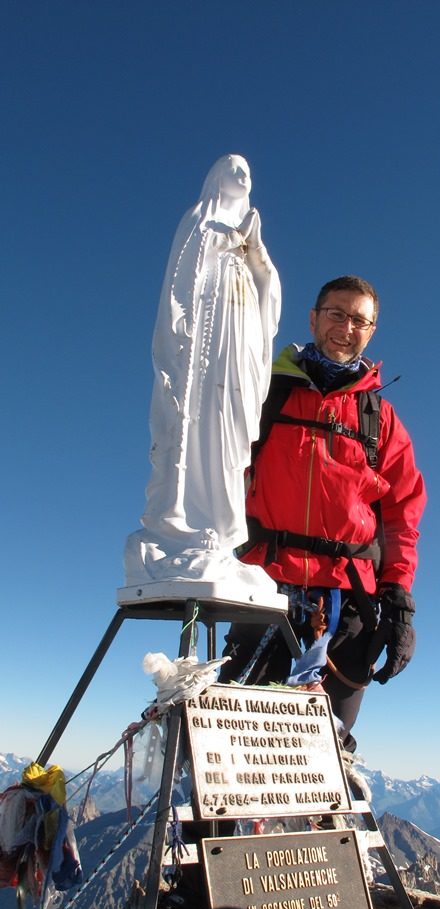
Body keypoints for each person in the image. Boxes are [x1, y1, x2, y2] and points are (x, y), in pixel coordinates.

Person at [219, 275, 426, 751]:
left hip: (349, 603)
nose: (346, 327)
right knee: (232, 744)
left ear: (370, 332)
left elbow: (402, 516)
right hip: (263, 589)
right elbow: (221, 473)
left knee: (326, 752)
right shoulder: (264, 395)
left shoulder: (381, 420)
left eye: (360, 320)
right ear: (313, 318)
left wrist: (398, 599)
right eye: (336, 313)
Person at [124, 154, 281, 587]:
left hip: (239, 347)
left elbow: (269, 298)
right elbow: (182, 277)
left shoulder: (250, 233)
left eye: (248, 171)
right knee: (199, 434)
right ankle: (185, 525)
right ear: (217, 176)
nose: (243, 175)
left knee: (230, 438)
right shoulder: (200, 221)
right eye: (234, 168)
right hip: (205, 349)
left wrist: (256, 255)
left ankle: (222, 534)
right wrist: (224, 244)